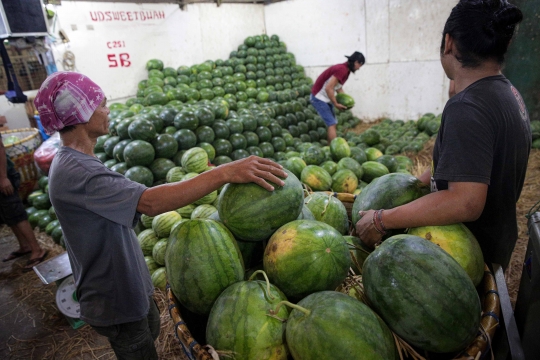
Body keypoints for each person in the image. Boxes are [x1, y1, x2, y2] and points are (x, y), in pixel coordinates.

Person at [34, 72, 287, 359]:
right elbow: (150, 203)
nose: (108, 110)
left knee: (149, 331)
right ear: (80, 114)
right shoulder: (79, 171)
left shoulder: (76, 160)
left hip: (124, 285)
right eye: (101, 104)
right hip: (114, 297)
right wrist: (225, 171)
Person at [355, 0, 530, 271]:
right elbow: (475, 162)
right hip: (497, 240)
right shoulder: (508, 93)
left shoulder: (467, 108)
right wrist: (422, 182)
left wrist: (382, 219)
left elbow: (465, 201)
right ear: (505, 45)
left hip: (465, 254)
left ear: (448, 42)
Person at [0, 135, 48, 269]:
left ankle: (37, 249)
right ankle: (24, 246)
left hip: (3, 176)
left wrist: (3, 178)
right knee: (7, 214)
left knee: (16, 212)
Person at [310, 51, 365, 143]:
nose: (358, 69)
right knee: (331, 124)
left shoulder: (346, 70)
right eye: (359, 66)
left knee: (333, 123)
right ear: (356, 62)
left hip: (325, 98)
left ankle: (331, 147)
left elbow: (338, 88)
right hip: (318, 98)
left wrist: (346, 102)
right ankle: (333, 149)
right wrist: (335, 103)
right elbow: (329, 88)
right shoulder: (342, 69)